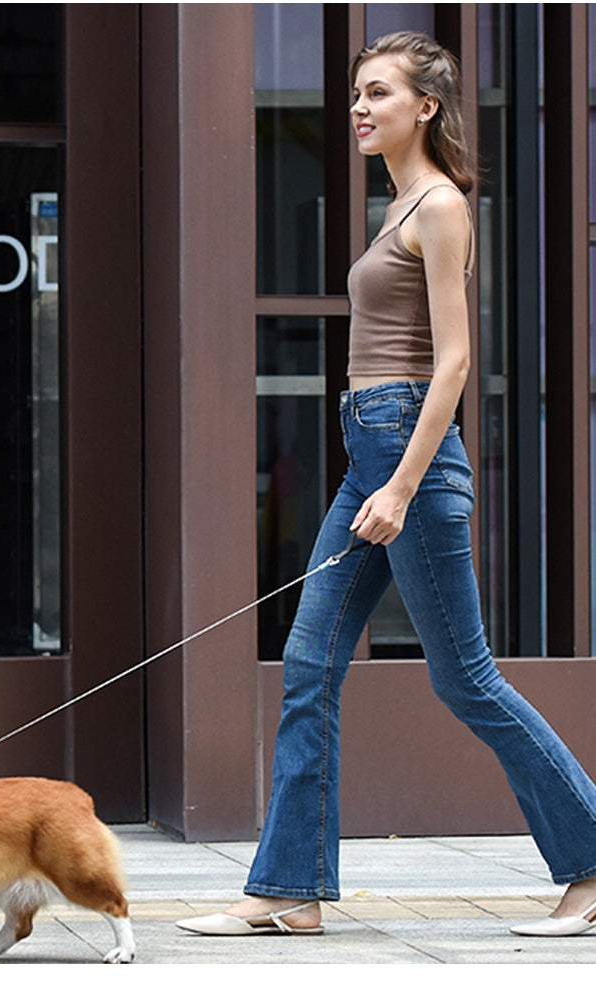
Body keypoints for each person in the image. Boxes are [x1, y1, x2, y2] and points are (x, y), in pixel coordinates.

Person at [177, 30, 596, 940]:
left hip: (411, 458)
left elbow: (454, 362)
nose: (358, 107)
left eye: (378, 92)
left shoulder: (439, 206)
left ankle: (591, 859)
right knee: (308, 662)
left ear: (425, 105)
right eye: (356, 92)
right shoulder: (397, 204)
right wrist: (380, 473)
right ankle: (289, 887)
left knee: (465, 678)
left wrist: (402, 486)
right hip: (371, 453)